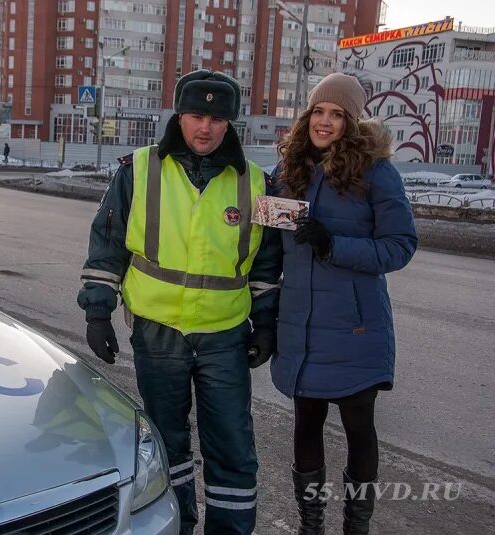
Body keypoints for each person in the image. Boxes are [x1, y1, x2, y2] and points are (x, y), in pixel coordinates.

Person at [77, 69, 283, 535]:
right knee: (167, 444)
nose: (204, 127)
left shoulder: (255, 183)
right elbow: (107, 245)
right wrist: (98, 310)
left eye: (216, 118)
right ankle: (177, 526)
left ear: (230, 123)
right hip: (157, 332)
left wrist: (266, 326)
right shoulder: (138, 169)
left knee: (231, 445)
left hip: (225, 335)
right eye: (195, 115)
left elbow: (266, 266)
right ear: (179, 115)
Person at [269, 73, 417, 535]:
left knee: (359, 430)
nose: (325, 122)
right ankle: (310, 526)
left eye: (338, 114)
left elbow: (399, 246)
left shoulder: (374, 171)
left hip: (355, 328)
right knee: (306, 427)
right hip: (301, 326)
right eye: (319, 111)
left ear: (352, 122)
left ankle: (357, 527)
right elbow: (269, 250)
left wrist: (334, 245)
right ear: (306, 115)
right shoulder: (287, 171)